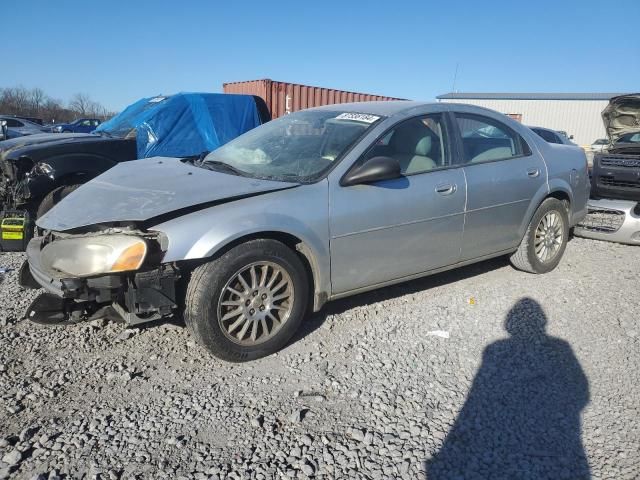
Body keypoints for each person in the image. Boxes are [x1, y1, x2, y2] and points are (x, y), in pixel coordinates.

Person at [425, 297, 590, 479]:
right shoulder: (559, 346)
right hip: (563, 441)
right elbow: (581, 392)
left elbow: (581, 392)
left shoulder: (496, 348)